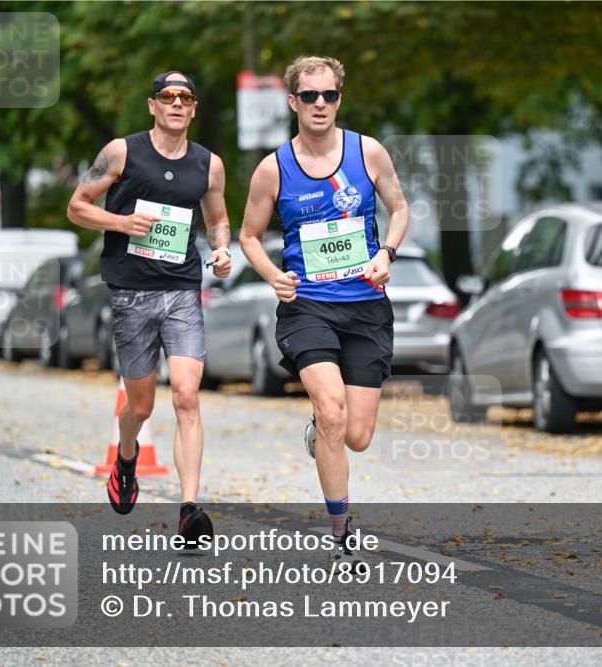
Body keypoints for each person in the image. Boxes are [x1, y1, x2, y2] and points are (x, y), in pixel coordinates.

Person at [240, 56, 409, 568]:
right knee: (333, 410)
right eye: (310, 96)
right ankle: (341, 531)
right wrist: (273, 275)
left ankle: (322, 432)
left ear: (339, 99)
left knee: (355, 435)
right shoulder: (273, 168)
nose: (320, 104)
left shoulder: (368, 152)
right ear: (293, 101)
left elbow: (400, 209)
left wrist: (387, 254)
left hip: (366, 308)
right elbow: (249, 235)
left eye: (329, 95)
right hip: (307, 307)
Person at [67, 71, 232, 544]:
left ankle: (190, 510)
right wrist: (121, 222)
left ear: (194, 109)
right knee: (140, 405)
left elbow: (217, 218)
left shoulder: (209, 165)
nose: (177, 103)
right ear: (153, 105)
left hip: (182, 288)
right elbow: (77, 207)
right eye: (168, 96)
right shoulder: (122, 152)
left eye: (185, 97)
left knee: (186, 394)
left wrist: (221, 250)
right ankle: (125, 456)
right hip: (131, 292)